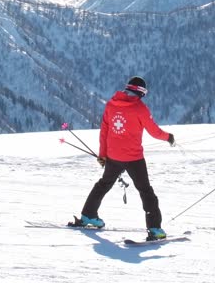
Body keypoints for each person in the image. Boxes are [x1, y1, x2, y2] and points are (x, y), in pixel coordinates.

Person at [73, 76, 175, 241]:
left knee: (103, 184)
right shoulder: (140, 108)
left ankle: (88, 216)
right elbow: (154, 131)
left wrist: (103, 154)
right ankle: (155, 228)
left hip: (113, 156)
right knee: (146, 191)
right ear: (141, 93)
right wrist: (168, 137)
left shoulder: (111, 104)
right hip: (133, 157)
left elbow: (104, 132)